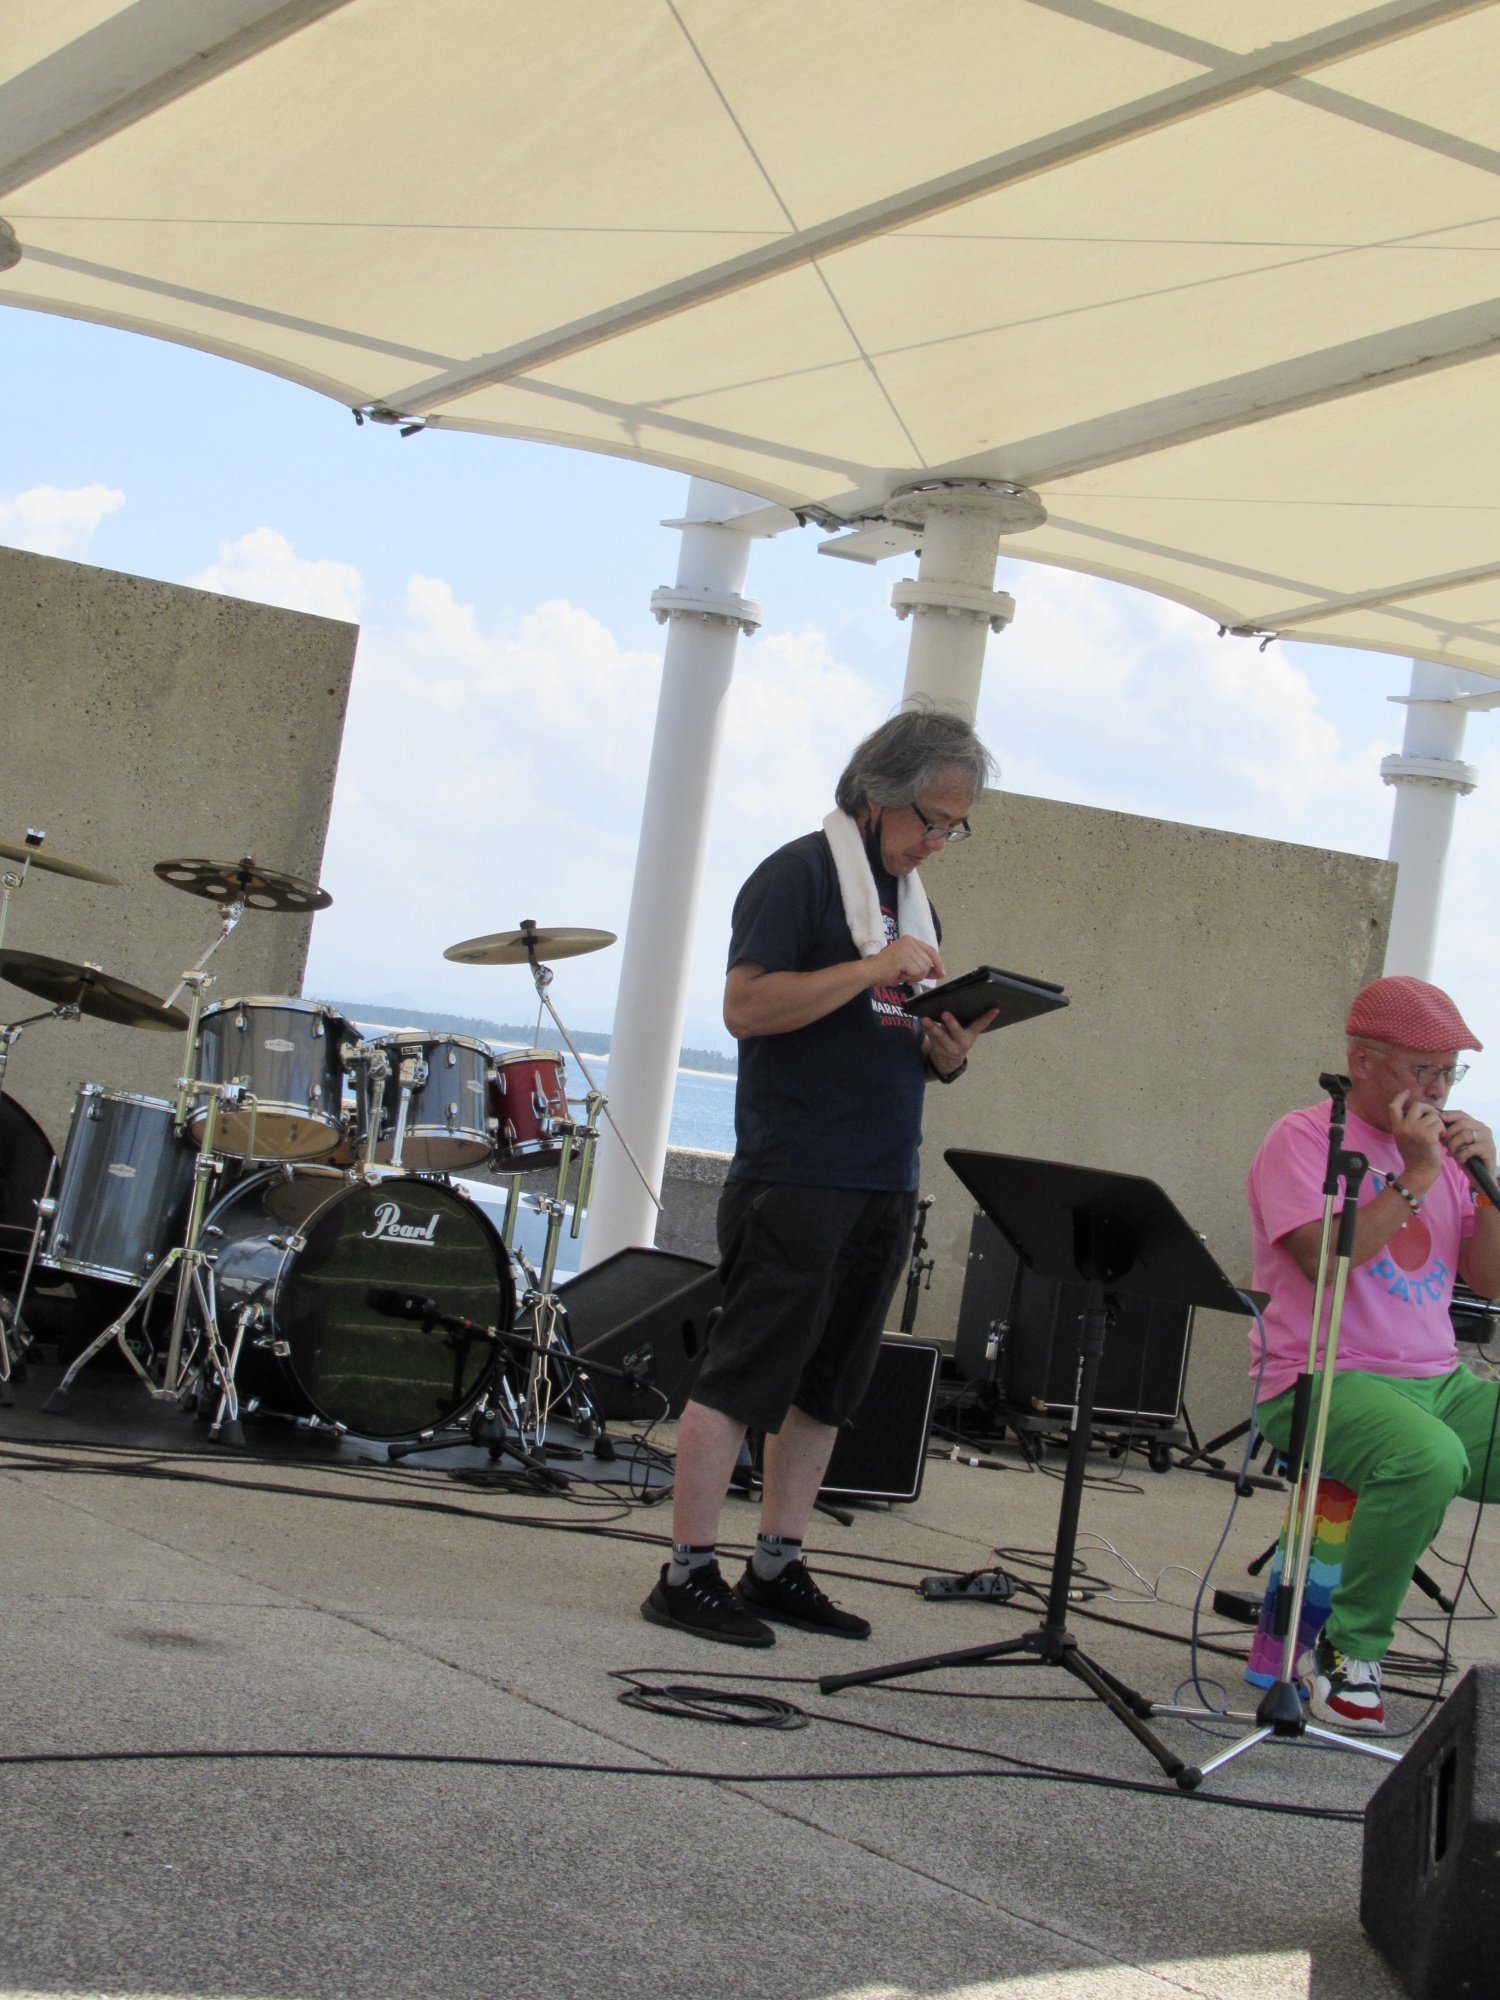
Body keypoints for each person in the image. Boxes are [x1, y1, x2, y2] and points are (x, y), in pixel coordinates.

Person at [642, 707, 998, 1646]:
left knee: (830, 1384)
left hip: (884, 1172)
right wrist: (872, 966)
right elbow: (746, 1007)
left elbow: (889, 1031)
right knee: (743, 1373)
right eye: (931, 820)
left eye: (955, 828)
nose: (937, 842)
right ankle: (685, 1572)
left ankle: (777, 1562)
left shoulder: (910, 902)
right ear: (878, 794)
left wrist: (946, 1052)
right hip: (796, 1168)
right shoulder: (797, 874)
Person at [1248, 975, 1500, 1730]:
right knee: (1428, 1458)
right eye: (1423, 1069)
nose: (1438, 1089)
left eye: (1449, 1072)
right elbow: (1324, 1260)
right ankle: (1348, 1649)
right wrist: (1417, 1175)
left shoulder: (1448, 1156)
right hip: (1318, 1379)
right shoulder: (1303, 1139)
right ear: (1363, 1062)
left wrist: (1484, 1187)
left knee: (1436, 1441)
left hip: (1438, 1381)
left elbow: (1489, 1279)